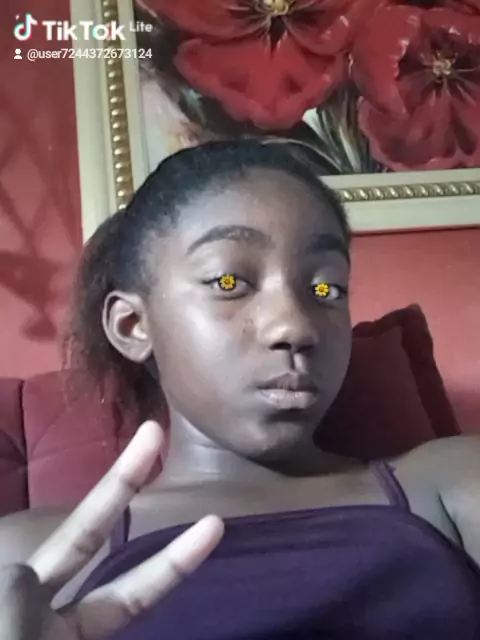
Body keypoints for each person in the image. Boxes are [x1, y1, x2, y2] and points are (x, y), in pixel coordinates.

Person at [1, 140, 480, 639]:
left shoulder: (452, 484)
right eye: (229, 282)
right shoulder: (26, 566)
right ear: (132, 325)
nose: (295, 327)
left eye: (325, 288)